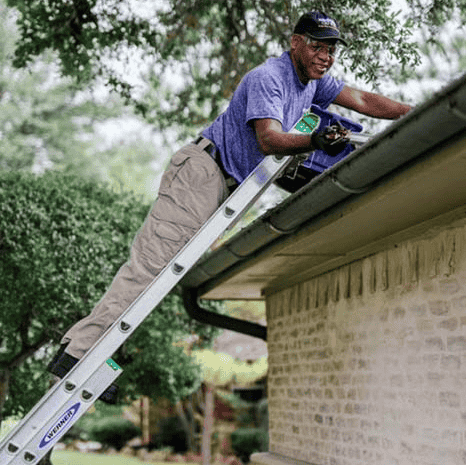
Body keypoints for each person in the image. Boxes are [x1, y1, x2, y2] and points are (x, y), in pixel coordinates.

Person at [47, 11, 412, 402]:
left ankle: (80, 349)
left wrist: (412, 114)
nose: (326, 56)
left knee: (156, 275)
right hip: (202, 173)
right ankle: (79, 355)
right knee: (149, 270)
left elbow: (359, 99)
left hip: (220, 185)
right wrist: (315, 141)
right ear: (295, 43)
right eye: (317, 46)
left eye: (331, 49)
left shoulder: (311, 85)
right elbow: (269, 139)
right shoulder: (268, 79)